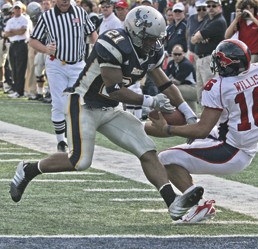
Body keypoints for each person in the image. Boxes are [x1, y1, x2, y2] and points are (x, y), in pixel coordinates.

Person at [9, 6, 203, 222]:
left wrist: (188, 114)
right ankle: (28, 169)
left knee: (146, 149)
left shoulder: (152, 49)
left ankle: (172, 202)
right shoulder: (112, 43)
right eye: (149, 38)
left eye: (156, 38)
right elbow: (114, 89)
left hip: (110, 109)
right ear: (135, 31)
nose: (153, 43)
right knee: (80, 161)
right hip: (84, 102)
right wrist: (149, 101)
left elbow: (164, 82)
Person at [147, 39, 258, 223]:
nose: (216, 64)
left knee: (164, 158)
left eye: (219, 60)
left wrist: (168, 129)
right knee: (189, 132)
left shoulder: (219, 86)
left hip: (231, 150)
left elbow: (201, 130)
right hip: (241, 140)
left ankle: (200, 204)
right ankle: (199, 202)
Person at [29, 0, 98, 152]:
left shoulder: (80, 12)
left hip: (78, 63)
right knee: (59, 103)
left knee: (78, 102)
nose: (65, 2)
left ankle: (76, 137)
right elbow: (33, 40)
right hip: (56, 64)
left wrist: (99, 51)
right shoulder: (47, 16)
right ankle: (61, 141)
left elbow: (92, 33)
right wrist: (46, 49)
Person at [191, 0, 226, 109]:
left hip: (209, 59)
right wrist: (201, 38)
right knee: (201, 91)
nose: (210, 8)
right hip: (201, 59)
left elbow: (196, 38)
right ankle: (204, 119)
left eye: (214, 5)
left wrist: (199, 38)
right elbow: (193, 38)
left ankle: (213, 120)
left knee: (210, 90)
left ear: (219, 7)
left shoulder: (218, 21)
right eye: (209, 5)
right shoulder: (209, 20)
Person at [4, 1, 30, 98]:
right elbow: (6, 33)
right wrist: (16, 31)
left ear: (22, 9)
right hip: (13, 44)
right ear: (13, 9)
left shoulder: (25, 19)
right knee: (13, 67)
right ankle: (16, 89)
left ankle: (20, 90)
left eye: (19, 8)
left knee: (20, 68)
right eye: (16, 8)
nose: (17, 10)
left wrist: (12, 31)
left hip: (22, 44)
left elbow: (22, 31)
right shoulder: (10, 21)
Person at [165, 44, 197, 113]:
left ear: (183, 54)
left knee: (171, 90)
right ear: (171, 54)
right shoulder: (171, 63)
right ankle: (191, 118)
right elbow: (165, 76)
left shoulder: (186, 64)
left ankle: (170, 112)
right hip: (184, 88)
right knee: (191, 110)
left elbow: (176, 81)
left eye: (179, 54)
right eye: (175, 54)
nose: (177, 56)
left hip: (193, 88)